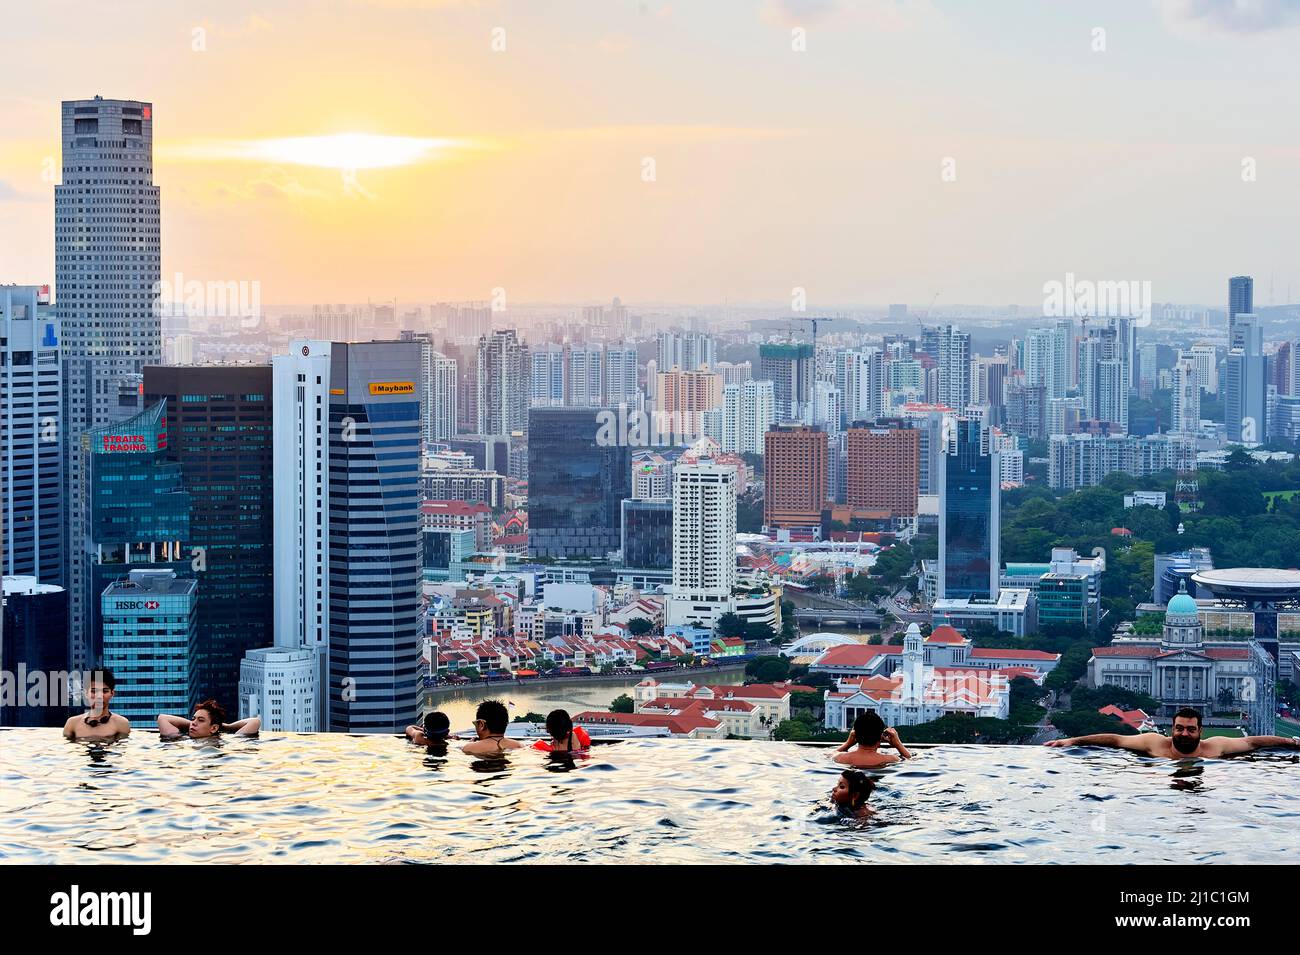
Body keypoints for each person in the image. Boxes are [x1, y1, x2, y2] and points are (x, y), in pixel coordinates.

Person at [1045, 707, 1300, 760]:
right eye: (1180, 728)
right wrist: (1071, 741)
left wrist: (1293, 742)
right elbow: (1115, 739)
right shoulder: (1154, 744)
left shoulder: (1216, 747)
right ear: (1172, 729)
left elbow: (1253, 741)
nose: (1185, 734)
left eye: (1190, 729)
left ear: (1200, 731)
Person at [63, 667, 131, 740]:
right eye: (94, 691)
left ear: (112, 693)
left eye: (105, 691)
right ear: (86, 694)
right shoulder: (72, 723)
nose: (99, 696)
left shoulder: (121, 723)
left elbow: (123, 749)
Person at [834, 710, 912, 768]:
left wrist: (848, 743)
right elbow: (909, 760)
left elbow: (830, 754)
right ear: (881, 737)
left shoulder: (840, 758)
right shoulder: (891, 759)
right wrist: (898, 744)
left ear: (855, 735)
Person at [157, 700, 260, 739]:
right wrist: (193, 724)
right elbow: (162, 718)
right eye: (193, 719)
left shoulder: (228, 741)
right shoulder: (182, 738)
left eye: (200, 720)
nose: (194, 723)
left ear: (214, 728)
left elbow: (255, 722)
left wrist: (226, 727)